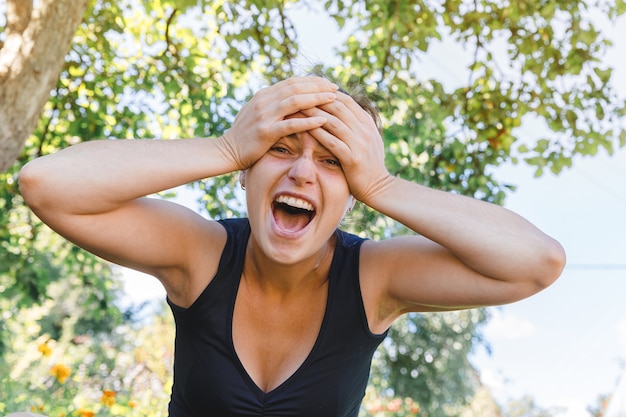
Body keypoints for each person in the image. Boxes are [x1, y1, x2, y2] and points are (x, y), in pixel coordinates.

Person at [18, 76, 566, 416]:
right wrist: (229, 144)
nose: (304, 171)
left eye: (333, 162)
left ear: (349, 197)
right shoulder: (202, 254)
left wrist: (381, 185)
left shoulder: (373, 278)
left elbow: (536, 263)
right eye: (281, 148)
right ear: (245, 174)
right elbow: (47, 185)